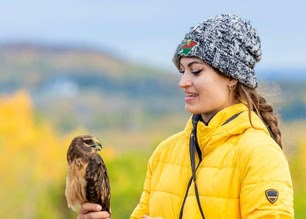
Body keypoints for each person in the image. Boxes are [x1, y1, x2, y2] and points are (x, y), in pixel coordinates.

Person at [77, 14, 294, 219]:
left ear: (231, 77)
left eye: (196, 71)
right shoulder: (165, 153)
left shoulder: (260, 154)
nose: (183, 82)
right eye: (182, 71)